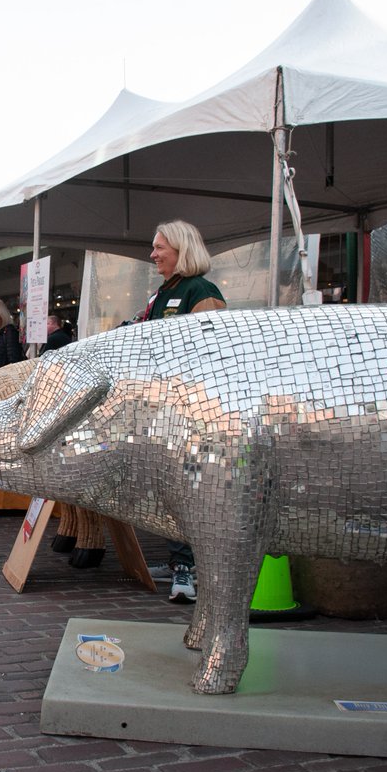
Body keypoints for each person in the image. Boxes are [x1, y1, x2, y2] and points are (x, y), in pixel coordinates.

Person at [140, 219, 227, 604]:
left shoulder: (201, 290)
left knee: (189, 487)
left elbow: (211, 352)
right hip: (165, 407)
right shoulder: (164, 292)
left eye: (160, 247)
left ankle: (190, 567)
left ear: (182, 249)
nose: (153, 254)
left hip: (191, 410)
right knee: (168, 488)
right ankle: (178, 559)